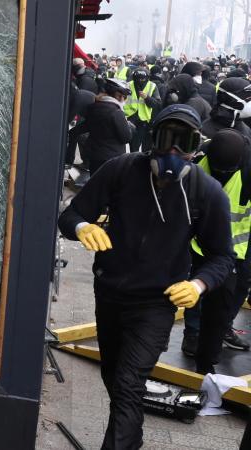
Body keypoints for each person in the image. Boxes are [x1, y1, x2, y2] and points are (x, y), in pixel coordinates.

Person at [58, 104, 234, 450]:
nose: (173, 152)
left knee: (128, 380)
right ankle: (132, 438)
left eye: (182, 143)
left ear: (195, 147)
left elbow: (223, 256)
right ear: (152, 140)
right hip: (109, 291)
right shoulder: (120, 171)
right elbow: (71, 214)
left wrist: (199, 284)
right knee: (114, 376)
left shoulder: (206, 192)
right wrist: (81, 226)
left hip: (158, 300)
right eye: (167, 139)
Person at [182, 129, 251, 374]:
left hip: (236, 248)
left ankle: (220, 333)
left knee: (229, 297)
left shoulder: (248, 169)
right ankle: (192, 334)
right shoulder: (202, 158)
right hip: (200, 242)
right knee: (194, 290)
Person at [68, 78, 133, 178]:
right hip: (112, 158)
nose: (123, 100)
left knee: (95, 184)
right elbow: (126, 138)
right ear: (118, 96)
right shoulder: (116, 112)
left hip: (95, 156)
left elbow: (86, 126)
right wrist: (128, 126)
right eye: (123, 97)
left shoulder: (94, 106)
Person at [124, 69, 160, 153]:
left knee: (144, 146)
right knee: (133, 146)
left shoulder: (152, 86)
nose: (140, 81)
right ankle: (133, 161)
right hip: (130, 118)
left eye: (142, 79)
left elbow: (157, 104)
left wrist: (147, 98)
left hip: (144, 120)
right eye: (138, 79)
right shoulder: (128, 85)